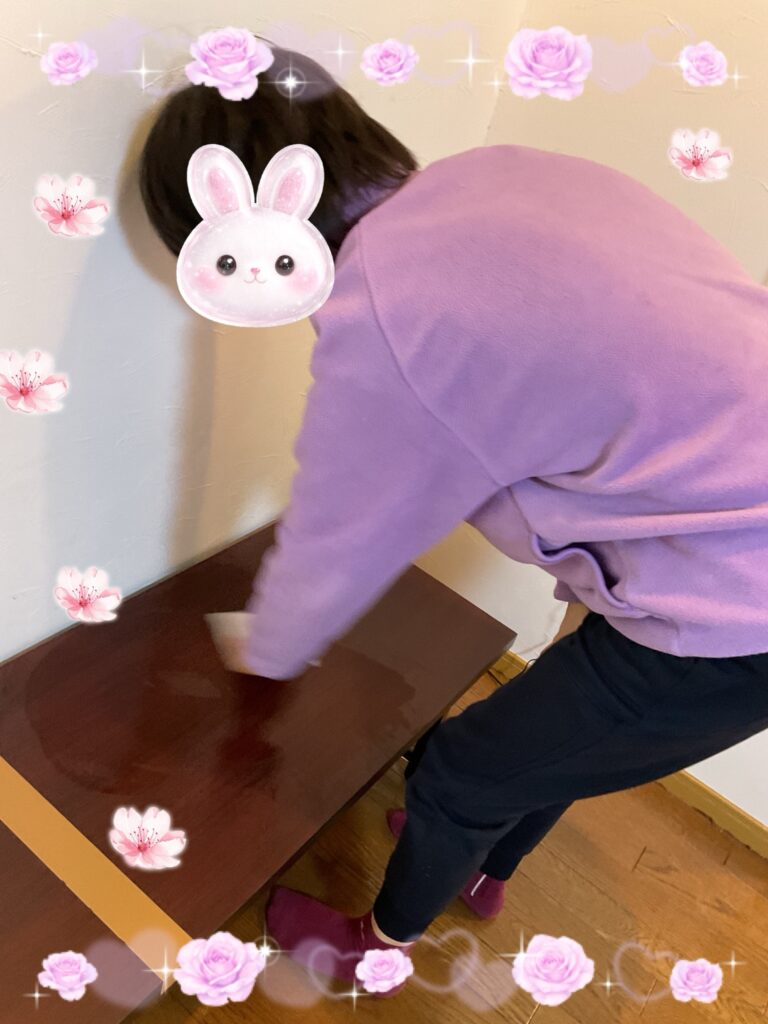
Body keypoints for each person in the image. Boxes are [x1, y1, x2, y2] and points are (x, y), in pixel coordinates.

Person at [139, 34, 768, 997]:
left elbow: (335, 544)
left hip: (736, 607)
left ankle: (375, 950)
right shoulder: (504, 171)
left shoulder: (388, 314)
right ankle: (482, 866)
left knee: (459, 773)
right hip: (713, 552)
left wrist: (260, 664)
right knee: (547, 745)